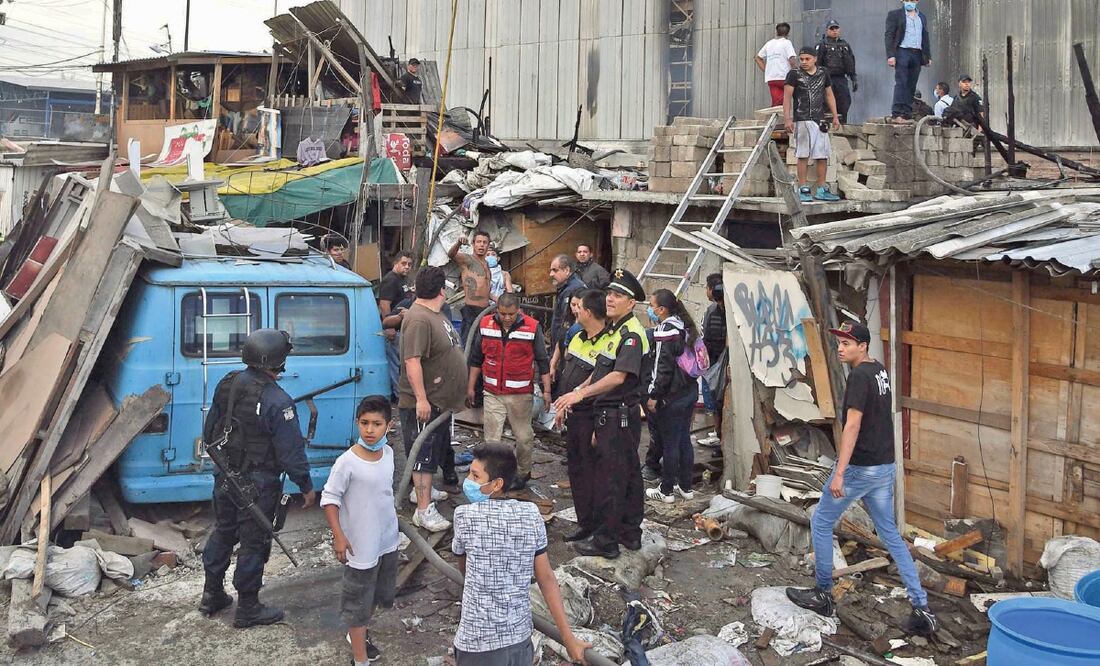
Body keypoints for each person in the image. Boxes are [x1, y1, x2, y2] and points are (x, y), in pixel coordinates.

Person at [786, 322, 938, 636]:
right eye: (839, 343)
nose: (840, 348)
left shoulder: (858, 377)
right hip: (884, 466)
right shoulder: (879, 372)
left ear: (863, 346)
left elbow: (853, 426)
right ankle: (922, 608)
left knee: (821, 522)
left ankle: (823, 594)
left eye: (846, 343)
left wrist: (839, 472)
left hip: (861, 468)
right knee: (890, 534)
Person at [200, 329, 316, 627]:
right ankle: (248, 608)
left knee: (223, 532)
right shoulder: (279, 401)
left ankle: (211, 594)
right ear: (279, 360)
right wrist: (305, 485)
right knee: (254, 543)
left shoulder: (228, 384)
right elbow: (291, 452)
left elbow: (210, 429)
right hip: (258, 484)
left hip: (225, 477)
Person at [451, 443, 591, 665]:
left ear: (497, 484)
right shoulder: (530, 513)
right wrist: (569, 638)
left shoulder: (463, 516)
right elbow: (546, 579)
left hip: (477, 642)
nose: (467, 481)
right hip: (519, 641)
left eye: (475, 476)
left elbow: (464, 569)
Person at [554, 269, 650, 559]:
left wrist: (581, 393)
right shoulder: (615, 331)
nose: (610, 299)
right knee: (625, 475)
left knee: (614, 479)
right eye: (609, 293)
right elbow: (600, 372)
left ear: (631, 303)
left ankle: (607, 542)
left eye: (618, 295)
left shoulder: (631, 335)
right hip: (608, 413)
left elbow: (619, 376)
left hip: (619, 414)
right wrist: (574, 394)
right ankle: (629, 533)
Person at [321, 396, 400, 665]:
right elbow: (329, 499)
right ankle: (360, 658)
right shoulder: (347, 462)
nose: (369, 430)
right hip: (360, 547)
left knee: (377, 595)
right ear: (357, 423)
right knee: (357, 604)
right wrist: (339, 536)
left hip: (386, 541)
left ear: (388, 426)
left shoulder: (388, 454)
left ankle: (359, 636)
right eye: (364, 423)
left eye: (376, 424)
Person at [398, 266, 468, 532]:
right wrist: (421, 399)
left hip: (440, 401)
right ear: (442, 290)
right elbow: (412, 360)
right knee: (422, 455)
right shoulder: (418, 318)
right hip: (424, 403)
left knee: (431, 452)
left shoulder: (432, 313)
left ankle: (422, 492)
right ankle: (423, 510)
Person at [466, 293, 552, 490]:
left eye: (511, 314)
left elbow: (542, 360)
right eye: (503, 313)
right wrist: (470, 387)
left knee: (523, 438)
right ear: (496, 310)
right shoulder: (485, 324)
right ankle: (493, 477)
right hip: (492, 392)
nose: (506, 318)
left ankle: (523, 472)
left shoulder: (532, 327)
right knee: (492, 439)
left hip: (521, 395)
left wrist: (547, 391)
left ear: (518, 311)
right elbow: (476, 358)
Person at [553, 289, 608, 544]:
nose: (575, 310)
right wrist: (563, 406)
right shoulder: (577, 337)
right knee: (576, 470)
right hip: (573, 416)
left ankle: (598, 526)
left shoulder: (608, 343)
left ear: (589, 312)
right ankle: (584, 522)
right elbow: (568, 373)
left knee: (592, 472)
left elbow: (596, 383)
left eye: (579, 307)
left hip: (592, 417)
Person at [643, 290, 700, 504]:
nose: (650, 309)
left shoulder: (666, 331)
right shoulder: (683, 325)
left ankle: (666, 490)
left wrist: (654, 394)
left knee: (670, 443)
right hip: (689, 391)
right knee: (684, 439)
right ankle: (686, 487)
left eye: (652, 305)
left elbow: (662, 367)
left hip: (672, 396)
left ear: (662, 310)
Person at [784, 47, 842, 203]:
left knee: (822, 155)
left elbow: (829, 94)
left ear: (815, 59)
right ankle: (803, 188)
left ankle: (822, 189)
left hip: (820, 119)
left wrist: (835, 116)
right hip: (802, 119)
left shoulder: (823, 73)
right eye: (801, 59)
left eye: (807, 59)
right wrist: (788, 119)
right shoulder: (794, 75)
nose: (804, 62)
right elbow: (787, 97)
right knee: (802, 154)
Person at [885, 0, 932, 124]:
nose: (909, 2)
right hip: (902, 51)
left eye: (912, 0)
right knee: (901, 82)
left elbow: (925, 36)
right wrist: (891, 55)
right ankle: (897, 113)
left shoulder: (921, 17)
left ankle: (906, 113)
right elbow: (889, 35)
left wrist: (927, 56)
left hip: (917, 53)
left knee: (912, 84)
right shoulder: (895, 15)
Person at [548, 254, 587, 397]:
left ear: (567, 270)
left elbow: (568, 325)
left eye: (555, 270)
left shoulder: (575, 290)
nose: (551, 274)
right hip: (560, 344)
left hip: (570, 348)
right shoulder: (565, 287)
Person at [378, 251, 414, 400]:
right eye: (403, 264)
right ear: (396, 263)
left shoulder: (401, 280)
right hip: (394, 330)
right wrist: (389, 326)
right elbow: (384, 304)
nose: (407, 267)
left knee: (401, 364)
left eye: (410, 265)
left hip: (402, 329)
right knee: (395, 365)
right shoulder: (390, 280)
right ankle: (399, 397)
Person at [448, 230, 493, 342]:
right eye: (478, 242)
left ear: (488, 245)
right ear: (473, 244)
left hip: (486, 309)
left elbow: (484, 289)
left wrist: (497, 299)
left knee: (483, 343)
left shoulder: (486, 264)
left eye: (484, 242)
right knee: (469, 342)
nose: (481, 245)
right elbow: (451, 254)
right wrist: (459, 243)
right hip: (471, 310)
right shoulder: (467, 260)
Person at [816, 20, 858, 124]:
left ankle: (842, 124)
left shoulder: (845, 45)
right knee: (826, 105)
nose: (834, 31)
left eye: (836, 28)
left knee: (844, 102)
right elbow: (816, 63)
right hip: (826, 79)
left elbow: (850, 63)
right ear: (827, 30)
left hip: (841, 79)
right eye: (831, 29)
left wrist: (853, 78)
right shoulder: (822, 45)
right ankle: (826, 126)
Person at [701, 274, 727, 433]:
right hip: (715, 362)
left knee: (720, 403)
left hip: (721, 362)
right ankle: (719, 436)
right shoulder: (713, 311)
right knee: (717, 404)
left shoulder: (721, 311)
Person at [756, 22, 798, 107]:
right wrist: (796, 72)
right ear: (788, 33)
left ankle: (776, 118)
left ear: (776, 32)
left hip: (772, 78)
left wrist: (766, 69)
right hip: (785, 77)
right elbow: (792, 60)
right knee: (788, 101)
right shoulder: (787, 43)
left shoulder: (769, 43)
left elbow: (758, 58)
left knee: (777, 102)